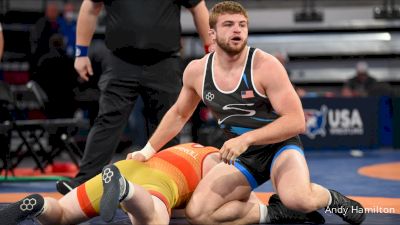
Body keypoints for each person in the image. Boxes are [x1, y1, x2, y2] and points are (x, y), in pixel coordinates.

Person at [130, 2, 366, 225]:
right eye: (229, 24)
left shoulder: (265, 65)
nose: (237, 30)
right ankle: (275, 213)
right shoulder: (197, 71)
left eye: (242, 25)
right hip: (243, 155)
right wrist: (147, 150)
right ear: (211, 34)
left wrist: (247, 138)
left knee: (299, 199)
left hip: (278, 146)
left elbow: (296, 121)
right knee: (198, 215)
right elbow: (180, 114)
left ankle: (332, 199)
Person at [56, 0, 214, 194]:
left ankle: (167, 183)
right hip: (121, 60)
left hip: (163, 60)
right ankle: (84, 183)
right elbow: (90, 7)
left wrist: (210, 50)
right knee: (107, 119)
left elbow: (198, 8)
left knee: (166, 120)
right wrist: (81, 53)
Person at [0, 143, 324, 225]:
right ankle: (126, 192)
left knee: (63, 216)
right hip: (157, 181)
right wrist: (270, 211)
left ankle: (39, 206)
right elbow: (230, 207)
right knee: (154, 218)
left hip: (129, 164)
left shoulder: (186, 148)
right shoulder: (220, 165)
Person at [29, 1, 60, 72]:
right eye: (51, 11)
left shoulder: (59, 24)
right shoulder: (41, 24)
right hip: (42, 58)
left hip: (56, 58)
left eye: (55, 11)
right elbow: (36, 43)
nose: (53, 13)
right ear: (46, 12)